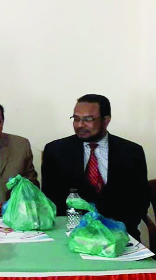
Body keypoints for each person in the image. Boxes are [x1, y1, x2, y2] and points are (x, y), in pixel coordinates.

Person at [41, 94, 148, 240]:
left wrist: (115, 229)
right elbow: (50, 200)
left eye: (88, 119)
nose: (80, 125)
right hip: (71, 235)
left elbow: (140, 201)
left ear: (106, 120)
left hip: (120, 235)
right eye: (76, 119)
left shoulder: (131, 152)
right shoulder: (56, 151)